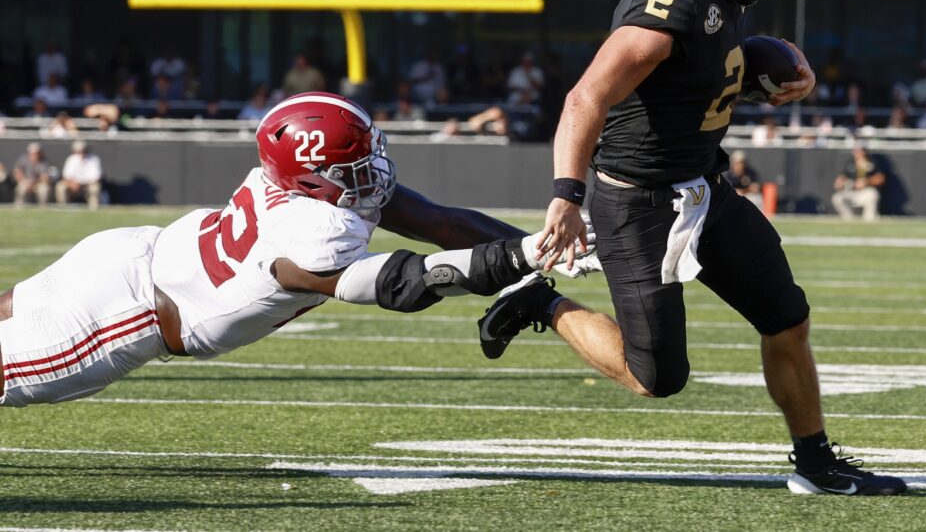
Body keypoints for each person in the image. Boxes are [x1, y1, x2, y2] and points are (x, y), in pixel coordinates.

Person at [478, 0, 905, 496]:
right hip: (637, 203)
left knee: (786, 316)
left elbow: (693, 86)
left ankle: (816, 464)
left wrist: (781, 74)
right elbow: (585, 97)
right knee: (655, 376)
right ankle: (541, 302)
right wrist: (566, 195)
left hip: (704, 188)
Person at [0, 93, 590, 408]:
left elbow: (440, 222)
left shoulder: (299, 184)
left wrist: (541, 243)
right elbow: (403, 285)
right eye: (354, 165)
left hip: (125, 256)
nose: (373, 171)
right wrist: (516, 260)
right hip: (122, 316)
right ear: (310, 176)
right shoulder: (314, 228)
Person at [831, 143, 886, 221]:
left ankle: (869, 220)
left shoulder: (872, 162)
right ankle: (849, 220)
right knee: (837, 198)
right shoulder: (850, 163)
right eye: (856, 151)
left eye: (861, 150)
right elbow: (839, 181)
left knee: (873, 194)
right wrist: (843, 183)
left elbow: (881, 178)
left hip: (865, 192)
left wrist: (867, 181)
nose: (859, 153)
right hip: (851, 192)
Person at [55, 139, 103, 210]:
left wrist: (85, 183)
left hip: (88, 185)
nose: (81, 152)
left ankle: (94, 209)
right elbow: (66, 176)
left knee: (95, 187)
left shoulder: (94, 159)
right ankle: (63, 207)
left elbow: (97, 177)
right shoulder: (71, 159)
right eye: (79, 150)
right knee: (61, 186)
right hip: (73, 185)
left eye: (83, 150)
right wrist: (73, 184)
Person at [13, 142, 53, 207]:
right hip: (25, 182)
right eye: (32, 153)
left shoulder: (44, 161)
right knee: (20, 188)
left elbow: (45, 177)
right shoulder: (23, 159)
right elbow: (17, 172)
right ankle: (18, 207)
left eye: (36, 153)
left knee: (44, 189)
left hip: (38, 183)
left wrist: (34, 182)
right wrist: (25, 181)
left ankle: (43, 208)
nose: (34, 155)